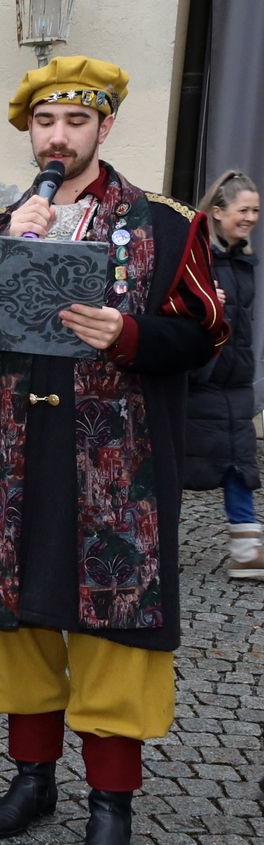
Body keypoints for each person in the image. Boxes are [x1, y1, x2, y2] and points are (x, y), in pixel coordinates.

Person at [0, 56, 228, 845]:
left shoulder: (164, 226)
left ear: (104, 129)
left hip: (114, 457)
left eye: (76, 123)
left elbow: (204, 334)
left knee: (115, 629)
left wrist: (125, 337)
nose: (59, 137)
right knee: (11, 620)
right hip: (5, 451)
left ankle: (111, 806)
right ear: (30, 131)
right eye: (46, 123)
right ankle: (32, 781)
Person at [184, 170, 260, 579]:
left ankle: (247, 550)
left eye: (256, 210)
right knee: (177, 465)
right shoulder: (198, 256)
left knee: (240, 464)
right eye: (243, 209)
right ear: (217, 211)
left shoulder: (242, 262)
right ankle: (153, 545)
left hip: (234, 383)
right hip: (200, 381)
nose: (250, 217)